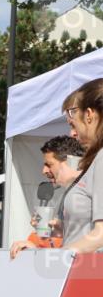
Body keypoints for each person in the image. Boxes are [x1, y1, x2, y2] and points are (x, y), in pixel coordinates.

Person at [9, 135, 84, 257]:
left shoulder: (93, 189)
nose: (44, 171)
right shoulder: (67, 195)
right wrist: (51, 234)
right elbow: (69, 245)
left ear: (69, 162)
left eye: (49, 164)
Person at [60, 79, 103, 254]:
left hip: (88, 269)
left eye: (73, 124)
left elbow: (101, 234)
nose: (72, 133)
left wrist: (53, 257)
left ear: (89, 115)